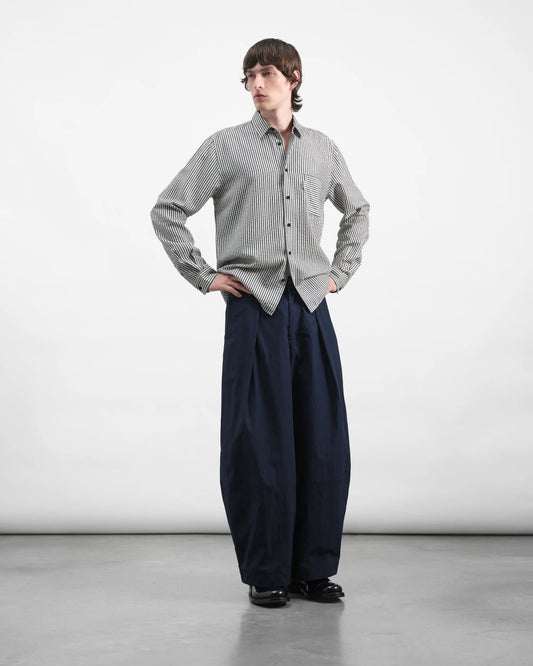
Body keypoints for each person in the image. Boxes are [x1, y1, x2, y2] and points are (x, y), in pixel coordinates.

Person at [150, 37, 370, 607]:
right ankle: (267, 571)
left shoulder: (322, 149)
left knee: (322, 439)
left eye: (267, 72)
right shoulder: (225, 147)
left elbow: (357, 209)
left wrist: (339, 272)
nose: (256, 83)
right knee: (257, 442)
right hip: (255, 307)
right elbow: (168, 209)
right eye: (248, 75)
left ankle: (312, 569)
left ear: (293, 78)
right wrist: (205, 275)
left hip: (312, 307)